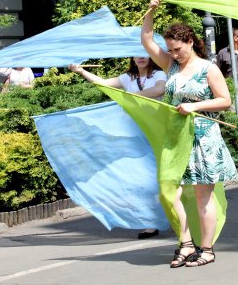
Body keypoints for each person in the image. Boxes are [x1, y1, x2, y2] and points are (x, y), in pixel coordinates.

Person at [143, 0, 237, 268]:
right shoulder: (171, 65)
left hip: (203, 137)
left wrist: (195, 107)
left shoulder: (208, 68)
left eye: (177, 49)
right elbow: (147, 40)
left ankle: (206, 249)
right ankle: (185, 243)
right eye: (170, 50)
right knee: (168, 191)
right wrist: (150, 11)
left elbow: (226, 101)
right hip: (176, 137)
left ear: (191, 42)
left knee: (201, 196)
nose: (173, 54)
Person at [69, 56, 167, 239]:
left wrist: (129, 96)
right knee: (142, 178)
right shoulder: (127, 78)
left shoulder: (158, 74)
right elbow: (105, 84)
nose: (140, 57)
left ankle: (177, 215)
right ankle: (150, 222)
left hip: (157, 131)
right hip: (134, 132)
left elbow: (159, 89)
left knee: (162, 176)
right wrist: (81, 71)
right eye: (136, 54)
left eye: (143, 53)